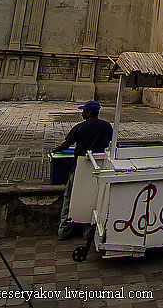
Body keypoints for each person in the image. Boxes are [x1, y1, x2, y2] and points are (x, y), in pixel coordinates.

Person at [53, 100, 113, 240]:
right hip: (98, 168)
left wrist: (57, 149)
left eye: (84, 111)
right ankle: (88, 233)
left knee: (69, 199)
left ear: (89, 112)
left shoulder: (79, 128)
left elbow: (66, 144)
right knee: (92, 201)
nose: (82, 113)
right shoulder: (107, 127)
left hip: (80, 168)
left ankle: (63, 231)